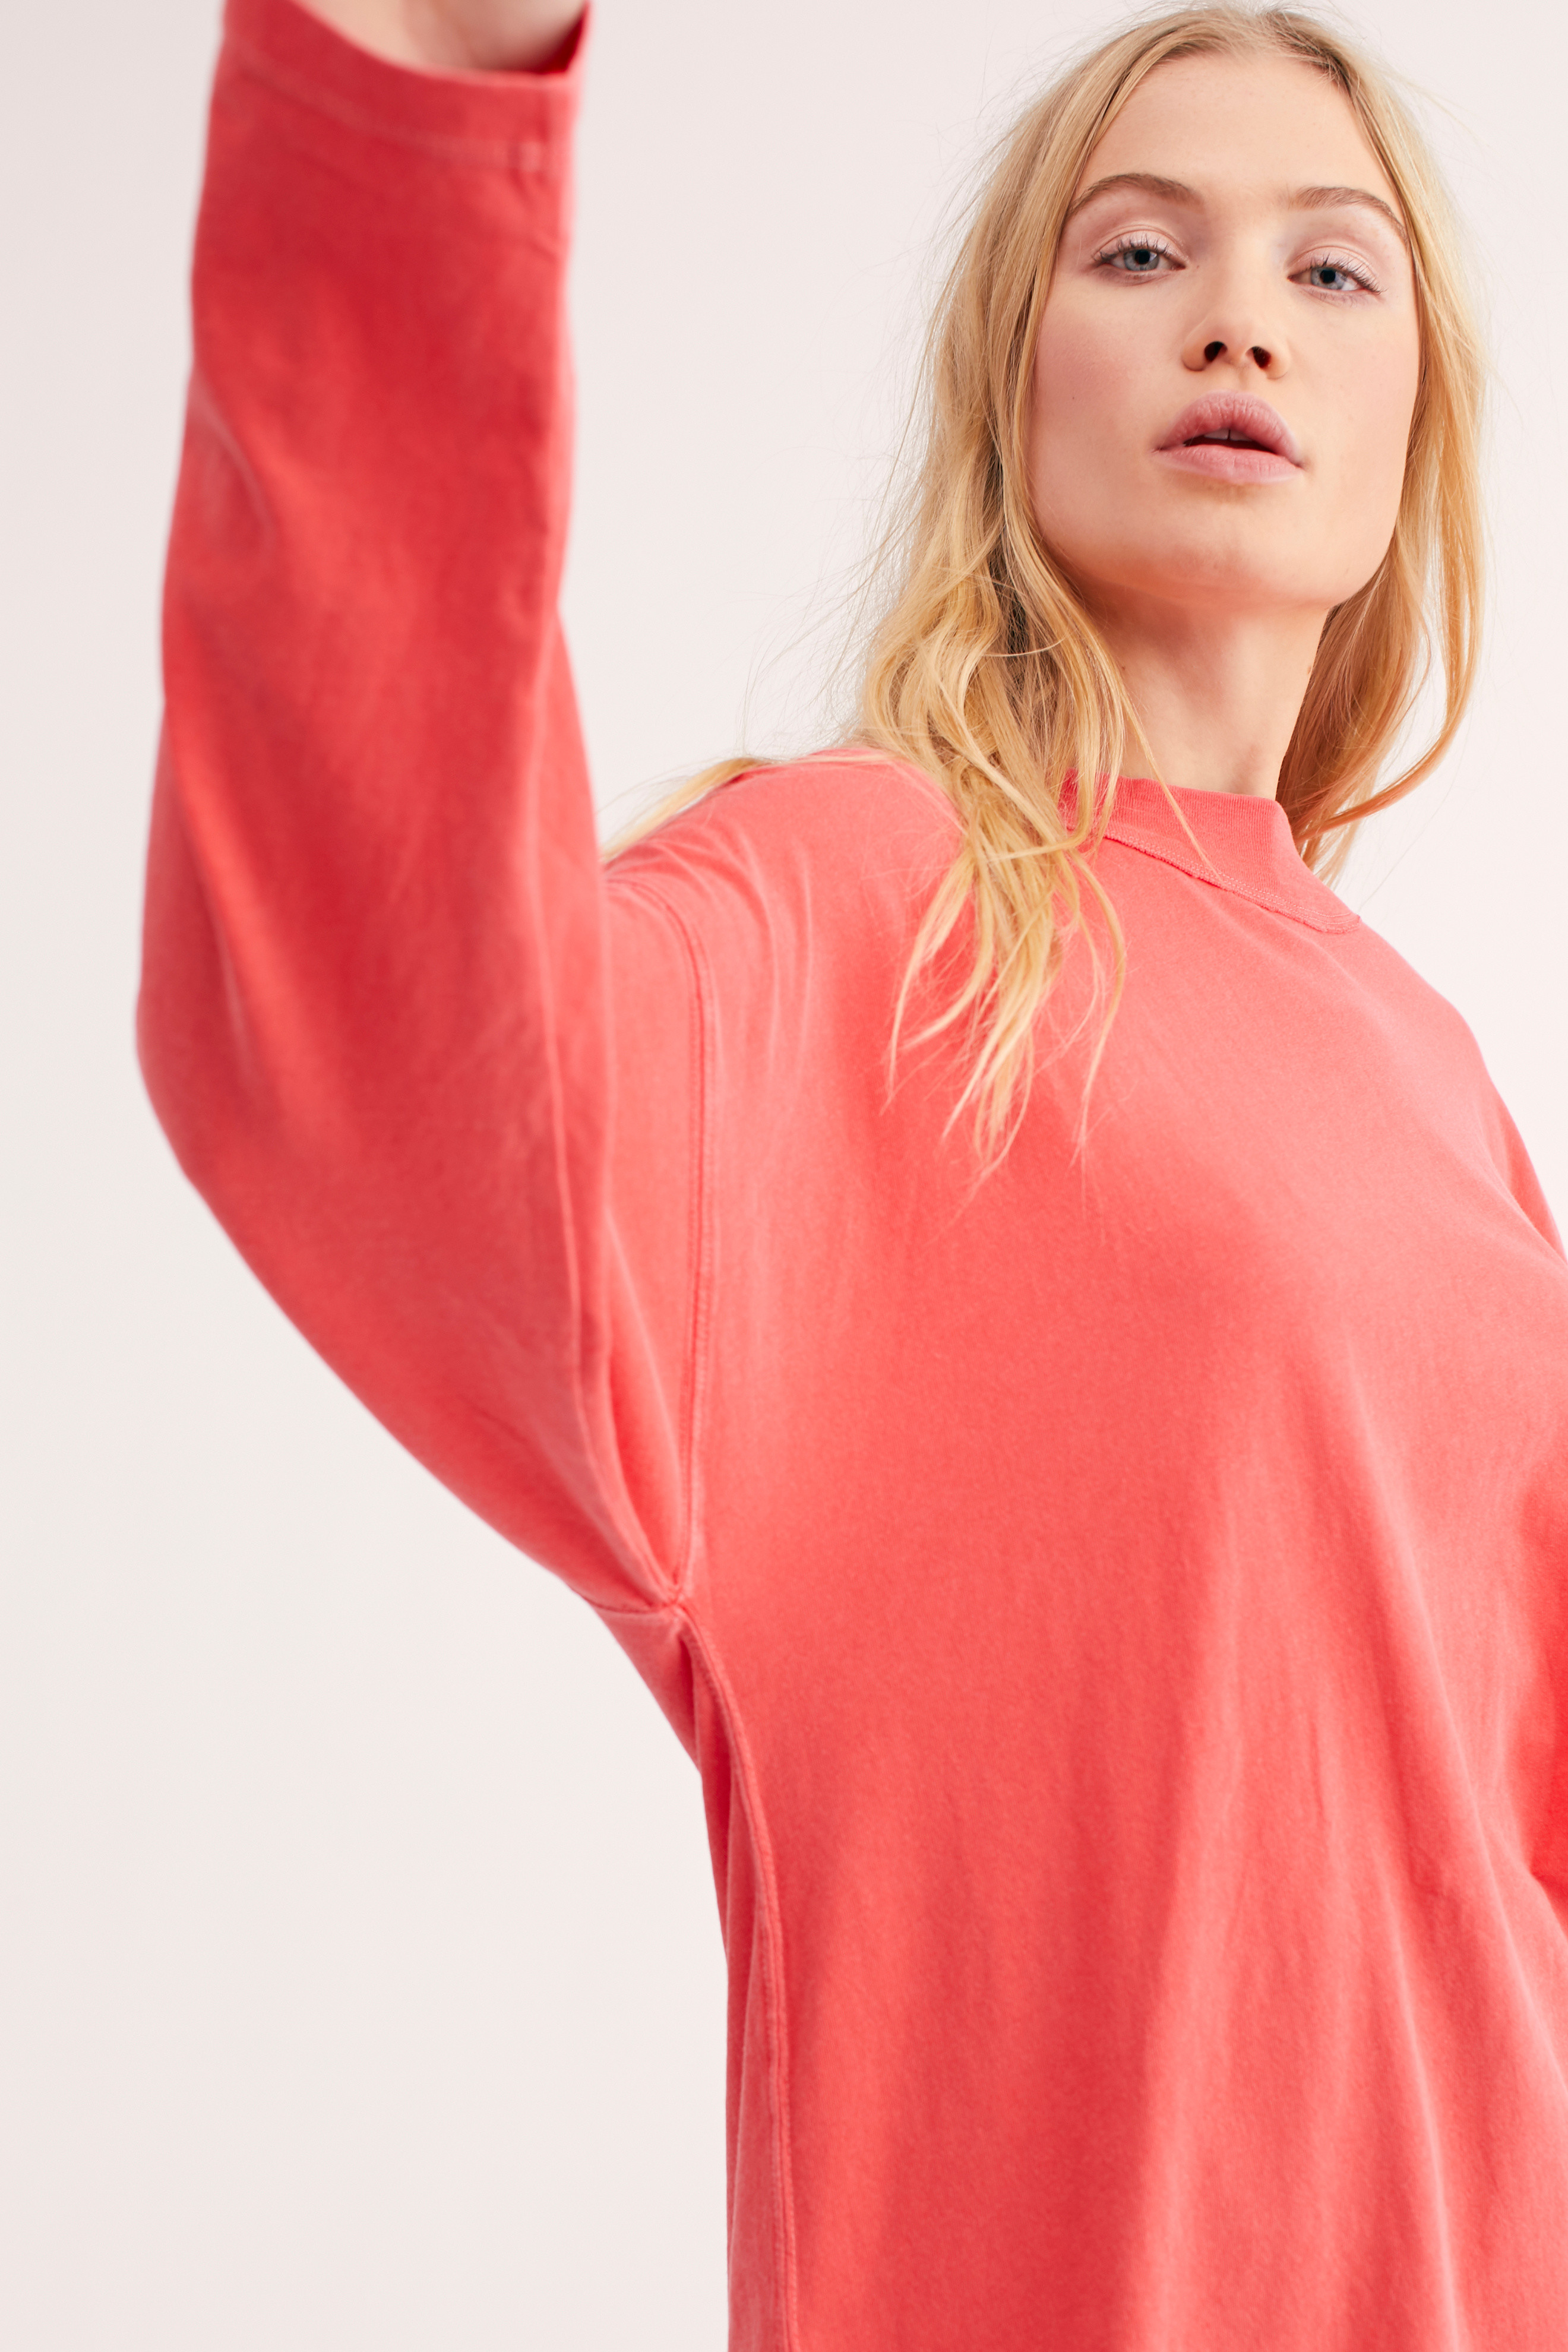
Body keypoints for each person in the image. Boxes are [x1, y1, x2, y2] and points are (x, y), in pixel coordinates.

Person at [138, 0, 1568, 2342]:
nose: (1239, 316)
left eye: (1334, 270)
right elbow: (391, 1056)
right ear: (1012, 382)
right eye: (1139, 252)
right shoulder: (864, 914)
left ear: (1416, 424)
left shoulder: (1434, 1076)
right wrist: (411, 113)